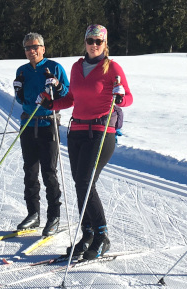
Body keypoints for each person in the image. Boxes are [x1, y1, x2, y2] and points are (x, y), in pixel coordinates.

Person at [37, 24, 132, 260]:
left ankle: (102, 236)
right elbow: (70, 98)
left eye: (99, 41)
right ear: (85, 42)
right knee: (80, 184)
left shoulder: (112, 68)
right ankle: (87, 234)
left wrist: (119, 96)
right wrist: (51, 104)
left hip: (101, 131)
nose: (94, 45)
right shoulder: (77, 67)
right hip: (77, 131)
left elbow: (127, 98)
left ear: (105, 44)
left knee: (85, 182)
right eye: (91, 40)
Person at [12, 33, 70, 236]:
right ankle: (33, 214)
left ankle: (53, 216)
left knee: (49, 172)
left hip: (48, 124)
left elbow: (68, 95)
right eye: (27, 48)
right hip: (28, 123)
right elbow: (22, 100)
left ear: (43, 48)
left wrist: (57, 85)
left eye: (35, 47)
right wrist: (18, 91)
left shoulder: (54, 67)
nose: (31, 51)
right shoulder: (22, 70)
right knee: (30, 171)